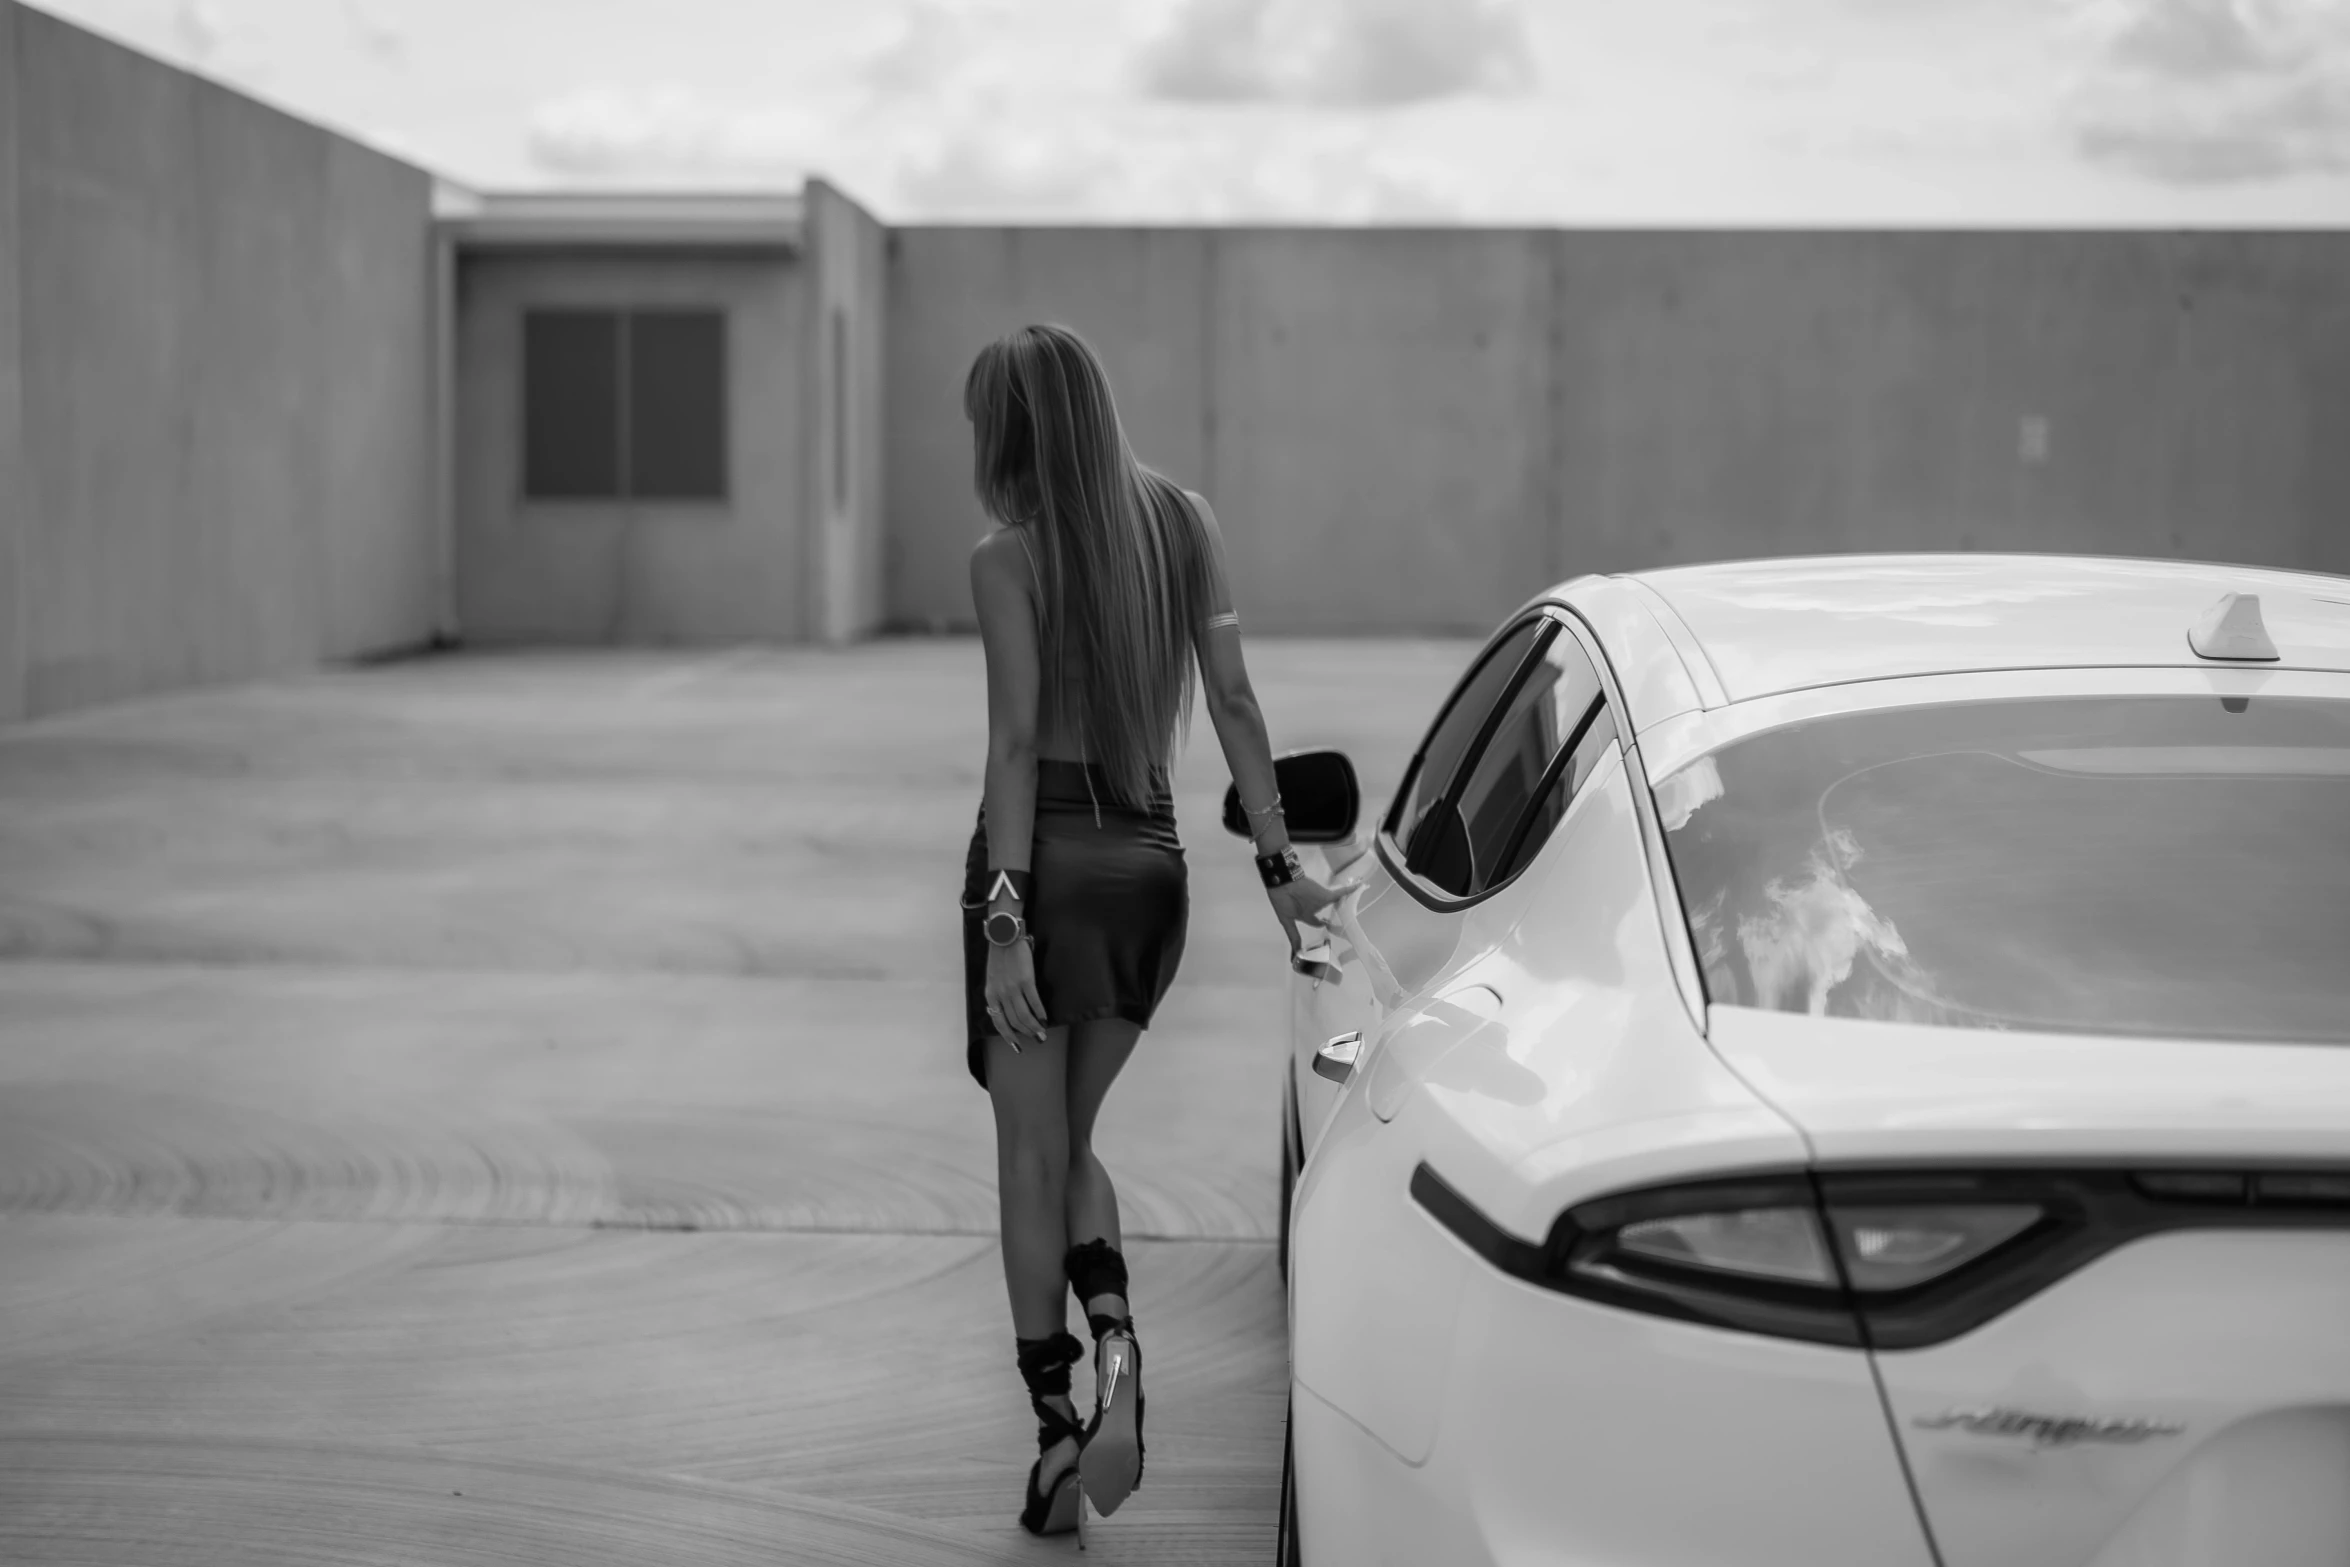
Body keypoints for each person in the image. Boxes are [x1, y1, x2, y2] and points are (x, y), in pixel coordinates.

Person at [958, 323, 1340, 1538]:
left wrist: (1006, 919)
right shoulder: (1185, 524)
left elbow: (1014, 744)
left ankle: (1060, 1429)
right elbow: (1232, 700)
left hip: (1040, 866)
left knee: (1031, 1156)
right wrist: (1280, 864)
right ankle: (1114, 1337)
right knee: (1072, 1141)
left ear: (1008, 436)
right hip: (1145, 872)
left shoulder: (1006, 560)